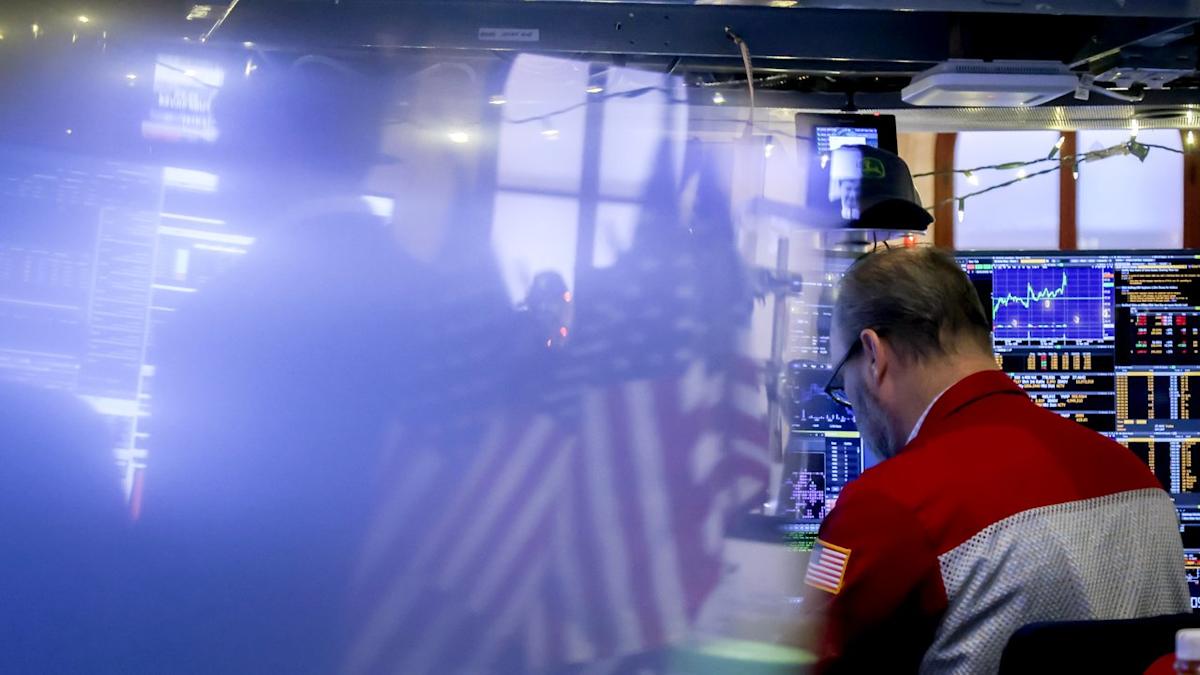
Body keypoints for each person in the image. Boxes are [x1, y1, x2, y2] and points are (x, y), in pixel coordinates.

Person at [808, 246, 1189, 673]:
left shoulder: (888, 504)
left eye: (842, 382)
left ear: (873, 354)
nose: (851, 402)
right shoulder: (1141, 481)